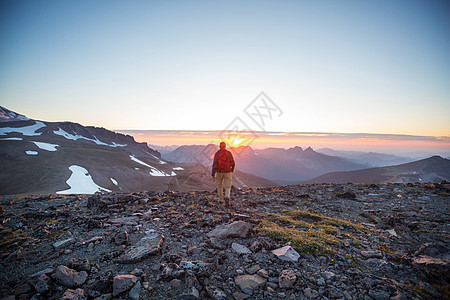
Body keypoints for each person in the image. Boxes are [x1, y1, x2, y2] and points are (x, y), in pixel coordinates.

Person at [212, 142, 235, 207]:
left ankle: (221, 200)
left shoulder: (217, 154)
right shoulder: (228, 153)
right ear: (225, 146)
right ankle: (227, 196)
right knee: (228, 186)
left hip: (219, 172)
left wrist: (213, 174)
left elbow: (214, 164)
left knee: (219, 186)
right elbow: (233, 162)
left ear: (219, 146)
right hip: (228, 172)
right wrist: (232, 170)